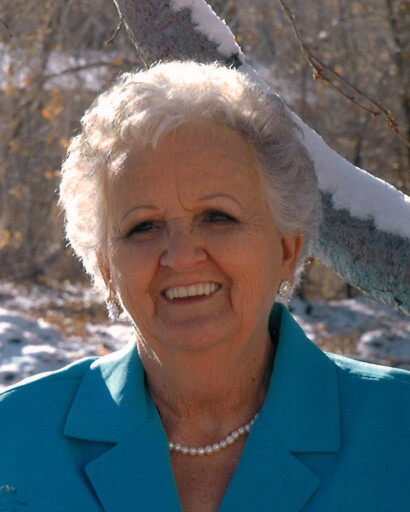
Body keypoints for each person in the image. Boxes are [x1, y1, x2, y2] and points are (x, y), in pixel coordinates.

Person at [0, 61, 409, 512]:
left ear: (287, 251)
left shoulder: (398, 427)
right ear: (107, 271)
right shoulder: (13, 438)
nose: (180, 256)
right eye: (143, 226)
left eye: (218, 217)